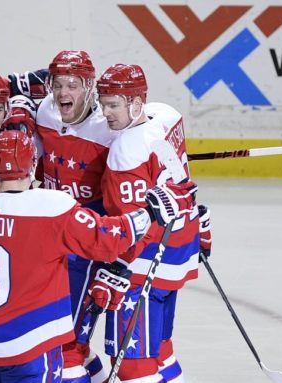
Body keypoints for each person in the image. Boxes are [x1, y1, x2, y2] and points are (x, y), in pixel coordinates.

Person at [0, 130, 198, 383]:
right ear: (32, 166)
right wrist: (150, 212)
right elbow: (109, 240)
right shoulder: (52, 209)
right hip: (29, 349)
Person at [87, 63, 200, 382]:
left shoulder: (125, 151)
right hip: (176, 255)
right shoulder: (167, 115)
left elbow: (133, 225)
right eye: (103, 102)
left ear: (136, 103)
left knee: (132, 364)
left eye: (113, 105)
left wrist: (115, 269)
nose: (105, 113)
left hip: (143, 269)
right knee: (162, 351)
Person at [35, 50, 116, 382]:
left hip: (87, 241)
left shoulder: (109, 129)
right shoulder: (45, 113)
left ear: (89, 87)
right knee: (63, 336)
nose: (63, 93)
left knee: (67, 342)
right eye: (58, 84)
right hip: (52, 238)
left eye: (73, 85)